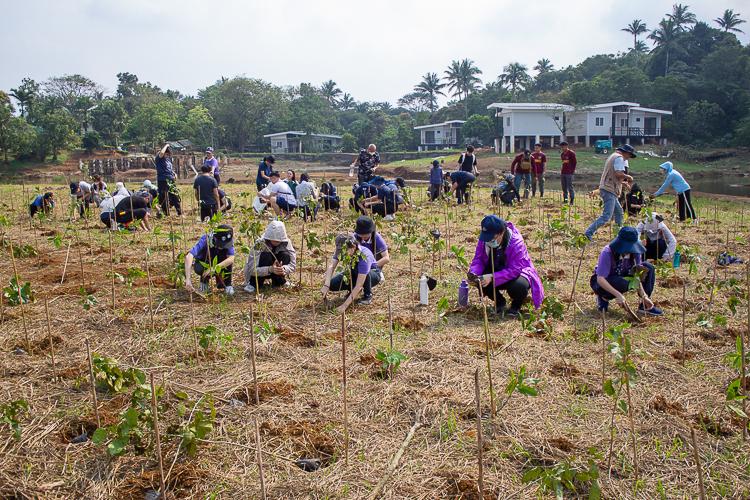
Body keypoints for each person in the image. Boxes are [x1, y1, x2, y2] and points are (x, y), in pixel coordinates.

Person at [468, 215, 544, 317]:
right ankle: (500, 302)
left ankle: (515, 307)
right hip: (495, 270)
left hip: (517, 273)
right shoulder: (485, 239)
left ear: (501, 233)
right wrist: (474, 273)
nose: (489, 241)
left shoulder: (516, 243)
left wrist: (492, 277)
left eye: (493, 238)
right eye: (487, 238)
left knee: (518, 287)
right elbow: (478, 259)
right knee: (480, 280)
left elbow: (515, 269)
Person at [590, 226, 663, 315]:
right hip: (603, 282)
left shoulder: (635, 253)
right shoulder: (607, 252)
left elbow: (637, 276)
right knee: (623, 282)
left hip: (623, 276)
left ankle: (644, 306)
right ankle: (604, 298)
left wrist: (644, 296)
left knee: (648, 268)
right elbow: (600, 279)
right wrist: (618, 295)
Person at [584, 145, 636, 240]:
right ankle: (588, 233)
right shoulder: (619, 158)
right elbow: (618, 173)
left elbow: (615, 176)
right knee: (606, 216)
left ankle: (619, 235)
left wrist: (623, 183)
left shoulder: (614, 156)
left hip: (609, 188)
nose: (629, 157)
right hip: (609, 189)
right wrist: (629, 177)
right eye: (629, 155)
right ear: (626, 152)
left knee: (619, 212)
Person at [321, 234, 381, 311]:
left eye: (345, 250)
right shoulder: (341, 251)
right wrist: (326, 285)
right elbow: (331, 266)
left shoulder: (364, 256)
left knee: (362, 271)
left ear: (353, 247)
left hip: (372, 274)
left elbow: (359, 285)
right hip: (354, 274)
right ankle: (352, 292)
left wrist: (344, 306)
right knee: (332, 284)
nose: (342, 253)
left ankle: (367, 295)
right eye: (340, 250)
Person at [243, 220, 297, 293]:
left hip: (277, 272)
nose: (276, 242)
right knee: (266, 255)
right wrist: (270, 269)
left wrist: (283, 269)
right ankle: (254, 284)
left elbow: (293, 265)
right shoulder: (259, 243)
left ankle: (279, 281)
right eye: (273, 240)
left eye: (278, 240)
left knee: (285, 255)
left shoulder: (287, 242)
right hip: (262, 271)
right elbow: (252, 269)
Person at [185, 224, 235, 295]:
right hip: (206, 262)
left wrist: (215, 268)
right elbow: (189, 256)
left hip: (219, 263)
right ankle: (204, 281)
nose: (222, 247)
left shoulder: (228, 240)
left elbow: (231, 258)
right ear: (214, 238)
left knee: (227, 262)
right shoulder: (205, 239)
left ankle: (227, 284)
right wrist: (188, 280)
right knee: (200, 268)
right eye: (220, 244)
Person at [155, 144, 182, 216]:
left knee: (175, 195)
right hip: (162, 180)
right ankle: (166, 213)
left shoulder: (167, 159)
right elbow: (161, 153)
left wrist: (174, 173)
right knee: (163, 196)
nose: (167, 156)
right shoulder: (159, 158)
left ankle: (179, 212)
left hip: (171, 180)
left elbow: (169, 168)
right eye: (166, 154)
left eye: (168, 154)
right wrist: (166, 145)